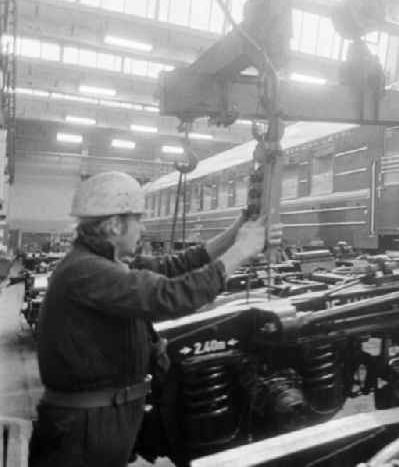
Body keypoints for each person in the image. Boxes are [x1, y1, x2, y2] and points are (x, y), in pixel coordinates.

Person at [29, 171, 274, 467]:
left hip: (95, 423)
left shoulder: (101, 263)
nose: (142, 229)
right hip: (84, 431)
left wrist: (235, 233)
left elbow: (174, 266)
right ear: (115, 225)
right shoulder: (87, 271)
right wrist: (241, 252)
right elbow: (170, 295)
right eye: (138, 220)